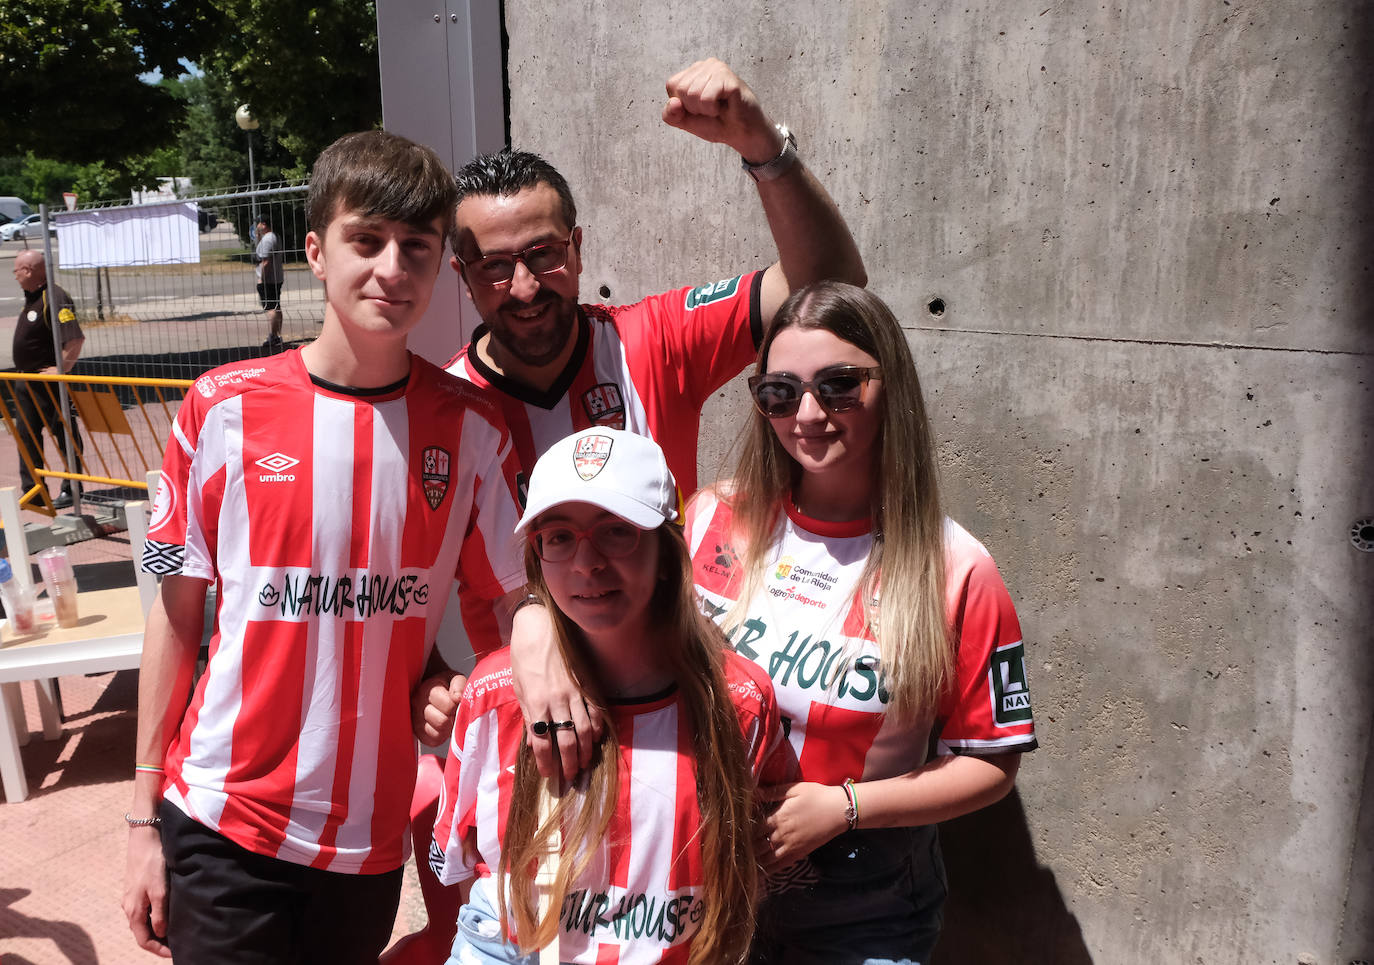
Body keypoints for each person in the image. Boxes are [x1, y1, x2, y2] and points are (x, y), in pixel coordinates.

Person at [120, 130, 534, 963]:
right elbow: (173, 622)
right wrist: (140, 818)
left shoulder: (473, 430)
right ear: (315, 250)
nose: (392, 268)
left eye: (416, 247)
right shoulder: (220, 410)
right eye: (366, 239)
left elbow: (518, 608)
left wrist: (454, 686)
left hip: (368, 841)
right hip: (222, 820)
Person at [445, 56, 866, 777]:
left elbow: (831, 285)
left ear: (577, 250)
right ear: (462, 276)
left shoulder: (654, 339)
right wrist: (429, 674)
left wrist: (763, 149)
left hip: (682, 716)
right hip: (532, 732)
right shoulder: (441, 411)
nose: (522, 287)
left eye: (544, 254)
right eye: (494, 265)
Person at [683, 282, 1039, 964]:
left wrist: (845, 806)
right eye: (779, 392)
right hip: (701, 870)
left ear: (890, 385)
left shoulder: (957, 568)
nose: (807, 413)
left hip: (860, 897)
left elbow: (992, 762)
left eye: (838, 385)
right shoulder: (710, 518)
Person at [429, 427, 795, 965]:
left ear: (667, 550)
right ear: (536, 556)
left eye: (617, 531)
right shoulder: (495, 693)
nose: (586, 563)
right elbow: (466, 867)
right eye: (558, 536)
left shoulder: (739, 700)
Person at [9, 249, 84, 508]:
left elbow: (74, 338)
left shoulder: (54, 297)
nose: (15, 276)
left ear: (28, 271)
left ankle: (72, 488)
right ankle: (34, 491)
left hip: (48, 383)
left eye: (16, 270)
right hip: (27, 383)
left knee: (63, 433)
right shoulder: (32, 297)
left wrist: (61, 369)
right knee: (26, 435)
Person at [255, 214, 285, 350]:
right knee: (276, 305)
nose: (256, 226)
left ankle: (273, 335)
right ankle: (277, 334)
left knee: (270, 307)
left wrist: (262, 278)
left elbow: (266, 262)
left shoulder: (268, 239)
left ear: (264, 224)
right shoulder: (273, 236)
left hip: (269, 279)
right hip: (277, 277)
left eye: (258, 224)